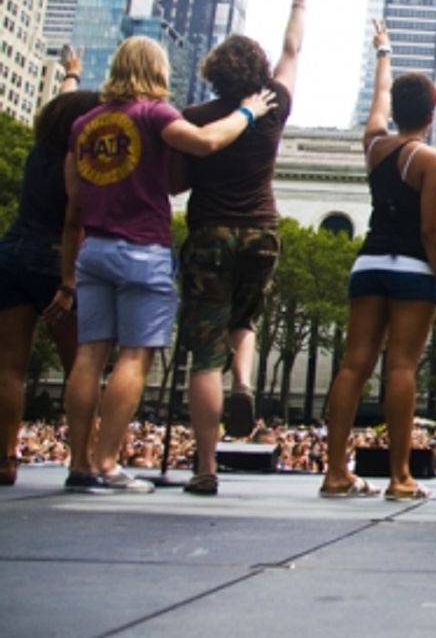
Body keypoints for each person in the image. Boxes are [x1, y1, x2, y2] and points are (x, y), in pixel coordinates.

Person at [46, 36, 277, 494]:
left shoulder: (84, 125)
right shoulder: (154, 114)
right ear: (156, 71)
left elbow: (74, 200)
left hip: (94, 249)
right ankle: (107, 463)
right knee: (134, 355)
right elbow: (207, 142)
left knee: (89, 355)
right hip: (142, 250)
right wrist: (249, 112)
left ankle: (79, 464)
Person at [176, 0, 307, 497]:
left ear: (213, 73)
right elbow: (292, 51)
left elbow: (176, 180)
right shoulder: (274, 105)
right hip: (261, 232)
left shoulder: (196, 117)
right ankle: (245, 383)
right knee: (245, 319)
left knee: (205, 353)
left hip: (209, 234)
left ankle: (206, 466)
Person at [319, 21, 436, 501]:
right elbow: (431, 233)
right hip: (412, 270)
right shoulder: (431, 161)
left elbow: (378, 97)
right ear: (432, 114)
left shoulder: (373, 143)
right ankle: (400, 478)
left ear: (397, 110)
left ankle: (335, 473)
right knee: (401, 368)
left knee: (353, 365)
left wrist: (384, 51)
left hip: (368, 264)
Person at [0, 47, 96, 486]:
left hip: (11, 252)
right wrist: (70, 283)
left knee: (8, 367)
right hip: (57, 260)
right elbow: (76, 223)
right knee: (81, 365)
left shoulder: (39, 149)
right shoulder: (81, 162)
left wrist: (71, 74)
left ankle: (5, 459)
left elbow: (58, 105)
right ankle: (84, 459)